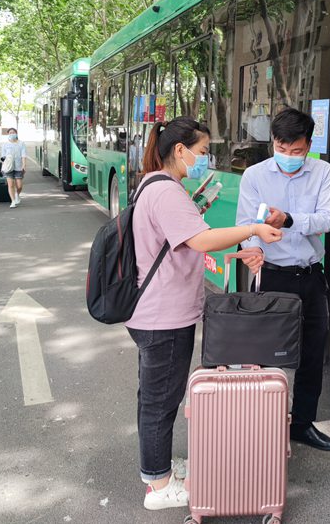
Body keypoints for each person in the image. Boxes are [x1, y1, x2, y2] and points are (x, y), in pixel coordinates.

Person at [129, 116, 282, 511]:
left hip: (159, 311)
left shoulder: (157, 184)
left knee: (159, 396)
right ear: (180, 150)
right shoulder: (166, 191)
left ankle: (159, 468)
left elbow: (182, 246)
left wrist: (234, 252)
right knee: (160, 400)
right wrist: (252, 230)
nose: (205, 159)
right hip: (163, 315)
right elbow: (199, 240)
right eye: (202, 151)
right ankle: (159, 485)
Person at [235, 108, 330, 452]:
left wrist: (290, 219)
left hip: (310, 275)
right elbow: (245, 225)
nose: (289, 156)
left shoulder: (322, 172)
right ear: (273, 143)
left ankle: (302, 423)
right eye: (282, 148)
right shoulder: (254, 176)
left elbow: (327, 219)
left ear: (308, 145)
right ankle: (263, 425)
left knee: (312, 354)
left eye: (297, 151)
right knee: (264, 354)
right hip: (272, 276)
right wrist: (252, 250)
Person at [0, 127, 27, 208]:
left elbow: (23, 155)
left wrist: (24, 165)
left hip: (18, 167)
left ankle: (17, 194)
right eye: (10, 133)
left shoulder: (21, 143)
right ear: (8, 134)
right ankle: (13, 201)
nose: (12, 134)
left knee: (19, 186)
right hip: (9, 167)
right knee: (10, 184)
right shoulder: (5, 145)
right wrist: (4, 165)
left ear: (16, 133)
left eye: (13, 132)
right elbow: (3, 157)